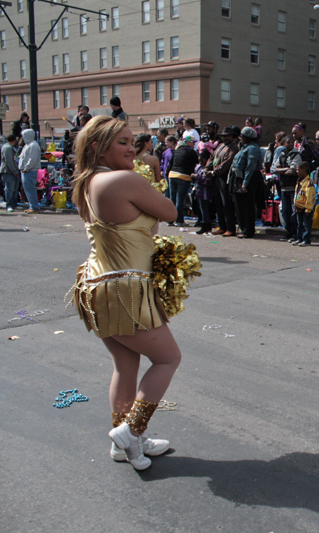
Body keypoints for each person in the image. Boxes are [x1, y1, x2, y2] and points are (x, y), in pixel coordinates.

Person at [67, 116, 180, 471]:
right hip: (124, 290)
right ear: (98, 147)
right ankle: (131, 432)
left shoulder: (87, 182)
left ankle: (125, 443)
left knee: (125, 364)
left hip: (95, 286)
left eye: (134, 141)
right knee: (167, 359)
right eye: (123, 142)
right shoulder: (122, 180)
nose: (133, 148)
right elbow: (169, 211)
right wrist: (147, 176)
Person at [229, 126, 262, 239]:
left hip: (249, 179)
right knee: (239, 205)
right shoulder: (244, 147)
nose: (240, 139)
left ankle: (248, 230)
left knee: (247, 206)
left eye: (242, 137)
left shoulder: (252, 148)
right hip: (239, 178)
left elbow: (250, 167)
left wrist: (245, 182)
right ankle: (242, 227)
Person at [206, 126, 240, 236]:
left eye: (228, 136)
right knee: (218, 203)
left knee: (227, 204)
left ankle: (230, 228)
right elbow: (212, 157)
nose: (226, 138)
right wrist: (207, 167)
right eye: (224, 136)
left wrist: (213, 172)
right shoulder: (220, 145)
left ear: (233, 137)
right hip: (216, 177)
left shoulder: (234, 148)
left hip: (225, 177)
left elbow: (226, 163)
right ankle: (222, 226)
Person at [165, 133, 199, 226]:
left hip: (172, 175)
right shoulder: (191, 152)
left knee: (172, 199)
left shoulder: (177, 150)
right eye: (193, 142)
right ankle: (179, 220)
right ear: (188, 142)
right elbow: (196, 162)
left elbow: (170, 164)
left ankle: (170, 220)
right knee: (180, 199)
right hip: (183, 176)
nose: (194, 144)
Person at [292, 162, 316, 246]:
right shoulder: (299, 180)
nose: (296, 171)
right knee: (299, 224)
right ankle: (299, 238)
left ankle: (306, 240)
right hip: (298, 206)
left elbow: (310, 196)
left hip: (305, 208)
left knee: (306, 224)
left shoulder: (309, 182)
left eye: (298, 169)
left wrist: (308, 208)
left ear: (303, 170)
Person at [19, 129, 42, 213]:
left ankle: (34, 206)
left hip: (29, 171)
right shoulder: (28, 145)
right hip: (26, 170)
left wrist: (27, 168)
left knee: (30, 189)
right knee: (28, 189)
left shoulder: (33, 145)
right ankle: (32, 205)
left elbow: (33, 159)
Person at [192, 150, 214, 234]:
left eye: (202, 160)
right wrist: (193, 177)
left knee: (205, 210)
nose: (200, 162)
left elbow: (208, 181)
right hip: (199, 191)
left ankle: (206, 225)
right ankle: (202, 223)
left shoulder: (208, 169)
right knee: (201, 209)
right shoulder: (200, 168)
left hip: (206, 192)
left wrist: (197, 177)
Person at [1, 134, 21, 212]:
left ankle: (14, 204)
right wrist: (15, 171)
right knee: (9, 189)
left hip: (13, 171)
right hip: (8, 172)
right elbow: (9, 161)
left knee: (15, 189)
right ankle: (9, 205)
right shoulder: (7, 148)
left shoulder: (11, 148)